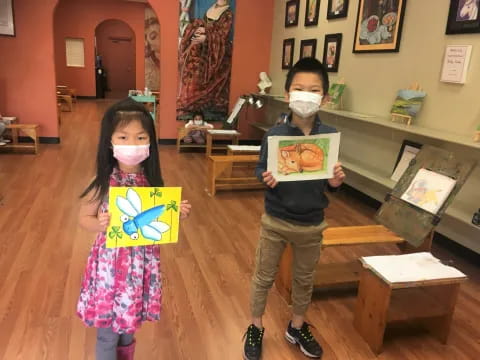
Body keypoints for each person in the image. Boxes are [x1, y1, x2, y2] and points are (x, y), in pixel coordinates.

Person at [243, 58, 346, 360]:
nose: (306, 95)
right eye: (299, 89)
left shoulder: (328, 136)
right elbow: (260, 169)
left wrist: (336, 180)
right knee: (263, 276)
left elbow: (330, 184)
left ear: (325, 98)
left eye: (314, 90)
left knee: (304, 279)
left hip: (313, 224)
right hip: (276, 220)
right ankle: (255, 326)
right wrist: (265, 177)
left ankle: (296, 326)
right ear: (287, 94)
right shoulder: (274, 135)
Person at [77, 98, 191, 360]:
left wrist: (177, 212)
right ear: (110, 141)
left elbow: (158, 218)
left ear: (150, 141)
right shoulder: (103, 181)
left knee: (128, 329)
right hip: (108, 268)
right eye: (123, 137)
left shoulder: (151, 181)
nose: (132, 144)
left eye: (141, 137)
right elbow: (84, 217)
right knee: (107, 334)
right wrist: (100, 223)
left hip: (139, 266)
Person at [177, 0, 234, 119]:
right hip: (205, 46)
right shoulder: (212, 8)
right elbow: (204, 26)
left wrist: (206, 36)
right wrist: (197, 31)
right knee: (191, 58)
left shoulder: (227, 14)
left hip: (218, 50)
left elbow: (222, 35)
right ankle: (188, 102)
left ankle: (200, 103)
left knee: (199, 66)